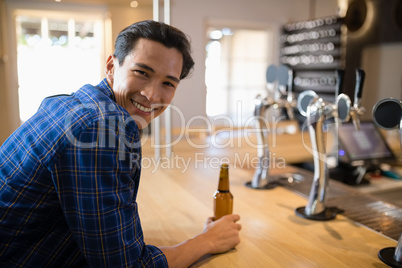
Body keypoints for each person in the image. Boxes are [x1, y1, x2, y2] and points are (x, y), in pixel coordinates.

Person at [0, 20, 241, 267]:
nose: (152, 95)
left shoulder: (72, 103)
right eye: (142, 73)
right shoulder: (102, 127)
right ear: (112, 66)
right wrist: (206, 241)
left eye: (168, 83)